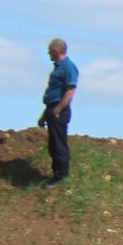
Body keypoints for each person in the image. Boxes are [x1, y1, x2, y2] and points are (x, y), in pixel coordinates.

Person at [39, 39, 79, 187]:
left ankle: (61, 177)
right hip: (52, 109)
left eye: (50, 51)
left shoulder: (68, 67)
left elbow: (70, 91)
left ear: (56, 51)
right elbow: (53, 93)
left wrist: (58, 109)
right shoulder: (58, 68)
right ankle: (56, 174)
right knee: (53, 145)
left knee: (59, 144)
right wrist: (45, 115)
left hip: (59, 111)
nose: (48, 53)